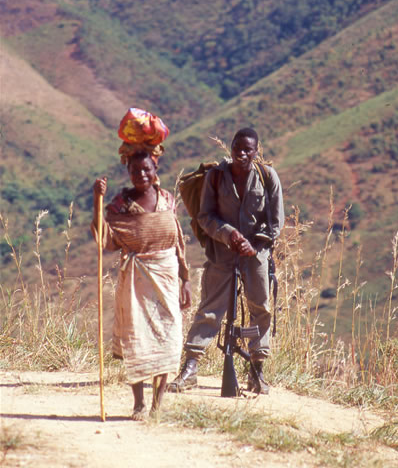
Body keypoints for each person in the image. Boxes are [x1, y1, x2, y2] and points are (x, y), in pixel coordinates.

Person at [168, 127, 284, 395]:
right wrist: (229, 234)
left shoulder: (267, 177)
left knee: (261, 308)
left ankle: (256, 369)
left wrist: (252, 245)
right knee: (211, 308)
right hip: (222, 251)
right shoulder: (215, 176)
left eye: (248, 149)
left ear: (256, 152)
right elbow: (205, 216)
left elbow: (276, 223)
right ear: (230, 148)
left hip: (255, 253)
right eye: (237, 148)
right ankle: (190, 368)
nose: (241, 153)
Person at [92, 144, 191, 419]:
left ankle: (159, 404)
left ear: (155, 169)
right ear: (128, 171)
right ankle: (139, 403)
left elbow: (178, 241)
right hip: (135, 279)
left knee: (169, 337)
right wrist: (95, 200)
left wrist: (185, 279)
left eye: (146, 169)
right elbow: (106, 240)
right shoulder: (119, 206)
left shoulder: (168, 200)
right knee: (136, 338)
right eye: (135, 170)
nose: (141, 174)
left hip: (167, 275)